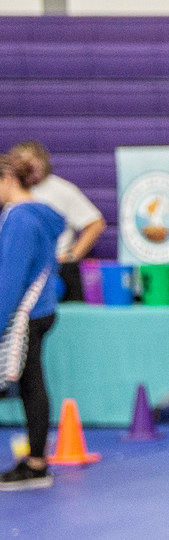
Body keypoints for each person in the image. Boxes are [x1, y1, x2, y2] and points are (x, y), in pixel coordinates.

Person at [0, 158, 67, 490]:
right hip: (39, 309)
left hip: (24, 313)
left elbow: (9, 279)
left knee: (31, 385)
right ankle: (36, 460)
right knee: (31, 384)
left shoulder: (20, 218)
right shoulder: (39, 214)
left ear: (8, 179)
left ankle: (37, 463)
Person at [7, 141, 105, 302]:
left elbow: (95, 223)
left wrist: (72, 255)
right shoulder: (11, 192)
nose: (29, 168)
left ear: (43, 162)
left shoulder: (61, 189)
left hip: (57, 269)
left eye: (32, 162)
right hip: (21, 268)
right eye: (22, 164)